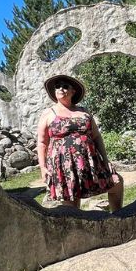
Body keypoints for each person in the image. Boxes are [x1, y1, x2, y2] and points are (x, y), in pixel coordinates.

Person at [36, 73, 124, 211]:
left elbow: (96, 136)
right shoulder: (48, 113)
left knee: (116, 183)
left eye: (65, 86)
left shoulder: (83, 112)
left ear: (73, 91)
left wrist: (106, 160)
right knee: (72, 204)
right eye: (57, 86)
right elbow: (42, 143)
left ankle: (118, 216)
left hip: (90, 161)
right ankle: (78, 230)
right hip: (64, 165)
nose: (61, 89)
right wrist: (43, 167)